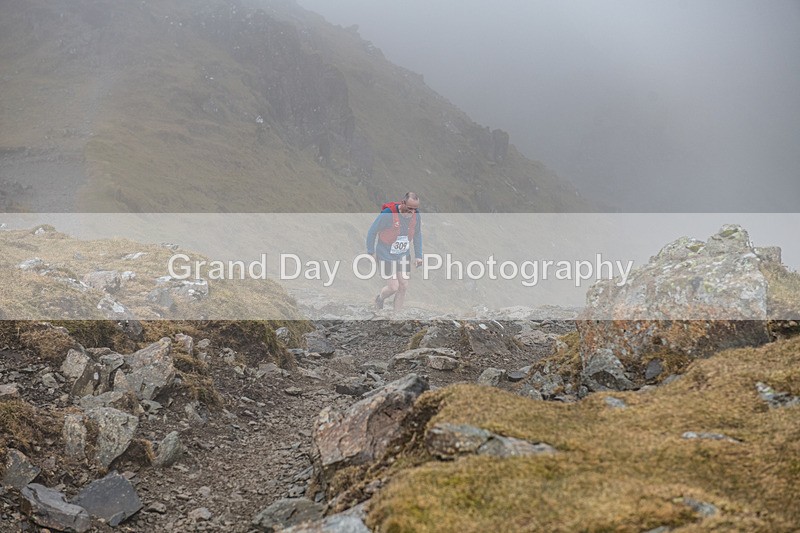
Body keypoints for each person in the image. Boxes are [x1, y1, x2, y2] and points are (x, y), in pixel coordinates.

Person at [366, 192, 423, 310]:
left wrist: (418, 255)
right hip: (385, 254)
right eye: (409, 208)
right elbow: (372, 231)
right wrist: (371, 252)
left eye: (415, 209)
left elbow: (417, 234)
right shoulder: (388, 214)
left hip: (403, 255)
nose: (412, 212)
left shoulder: (416, 216)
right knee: (393, 287)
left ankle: (397, 316)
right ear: (403, 203)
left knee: (404, 285)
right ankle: (380, 298)